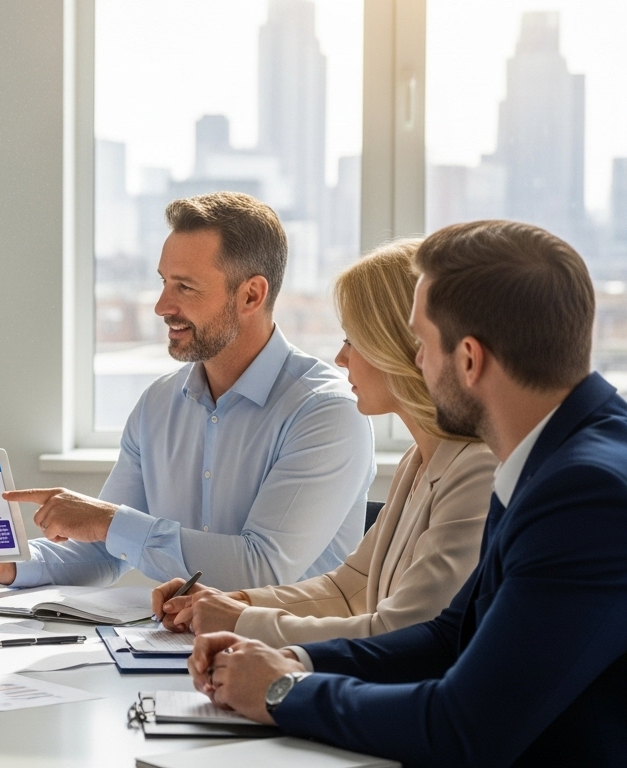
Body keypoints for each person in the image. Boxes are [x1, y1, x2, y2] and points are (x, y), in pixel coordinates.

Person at [188, 220, 627, 766]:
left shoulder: (586, 494)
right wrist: (292, 660)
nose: (413, 362)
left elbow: (464, 727)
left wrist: (283, 693)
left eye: (420, 343)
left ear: (469, 359)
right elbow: (446, 638)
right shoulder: (546, 458)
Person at [0, 192, 374, 593]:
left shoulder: (327, 412)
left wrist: (107, 520)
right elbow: (100, 552)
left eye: (185, 287)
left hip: (290, 663)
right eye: (163, 281)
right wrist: (4, 565)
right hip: (174, 650)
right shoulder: (158, 405)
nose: (162, 306)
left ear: (252, 296)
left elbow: (262, 570)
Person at [151, 240, 495, 646]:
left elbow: (403, 633)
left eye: (353, 339)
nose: (341, 357)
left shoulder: (477, 472)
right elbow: (350, 591)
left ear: (397, 346)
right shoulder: (417, 462)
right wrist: (231, 603)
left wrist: (240, 622)